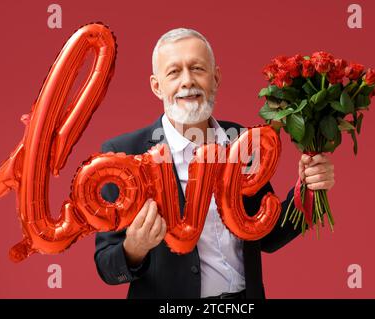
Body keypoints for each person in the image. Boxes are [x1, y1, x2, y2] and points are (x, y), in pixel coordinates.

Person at [94, 28, 335, 299]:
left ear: (216, 77)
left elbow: (267, 236)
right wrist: (134, 248)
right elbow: (106, 265)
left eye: (198, 68)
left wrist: (310, 189)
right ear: (156, 86)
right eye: (174, 72)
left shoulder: (243, 142)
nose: (187, 81)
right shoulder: (123, 154)